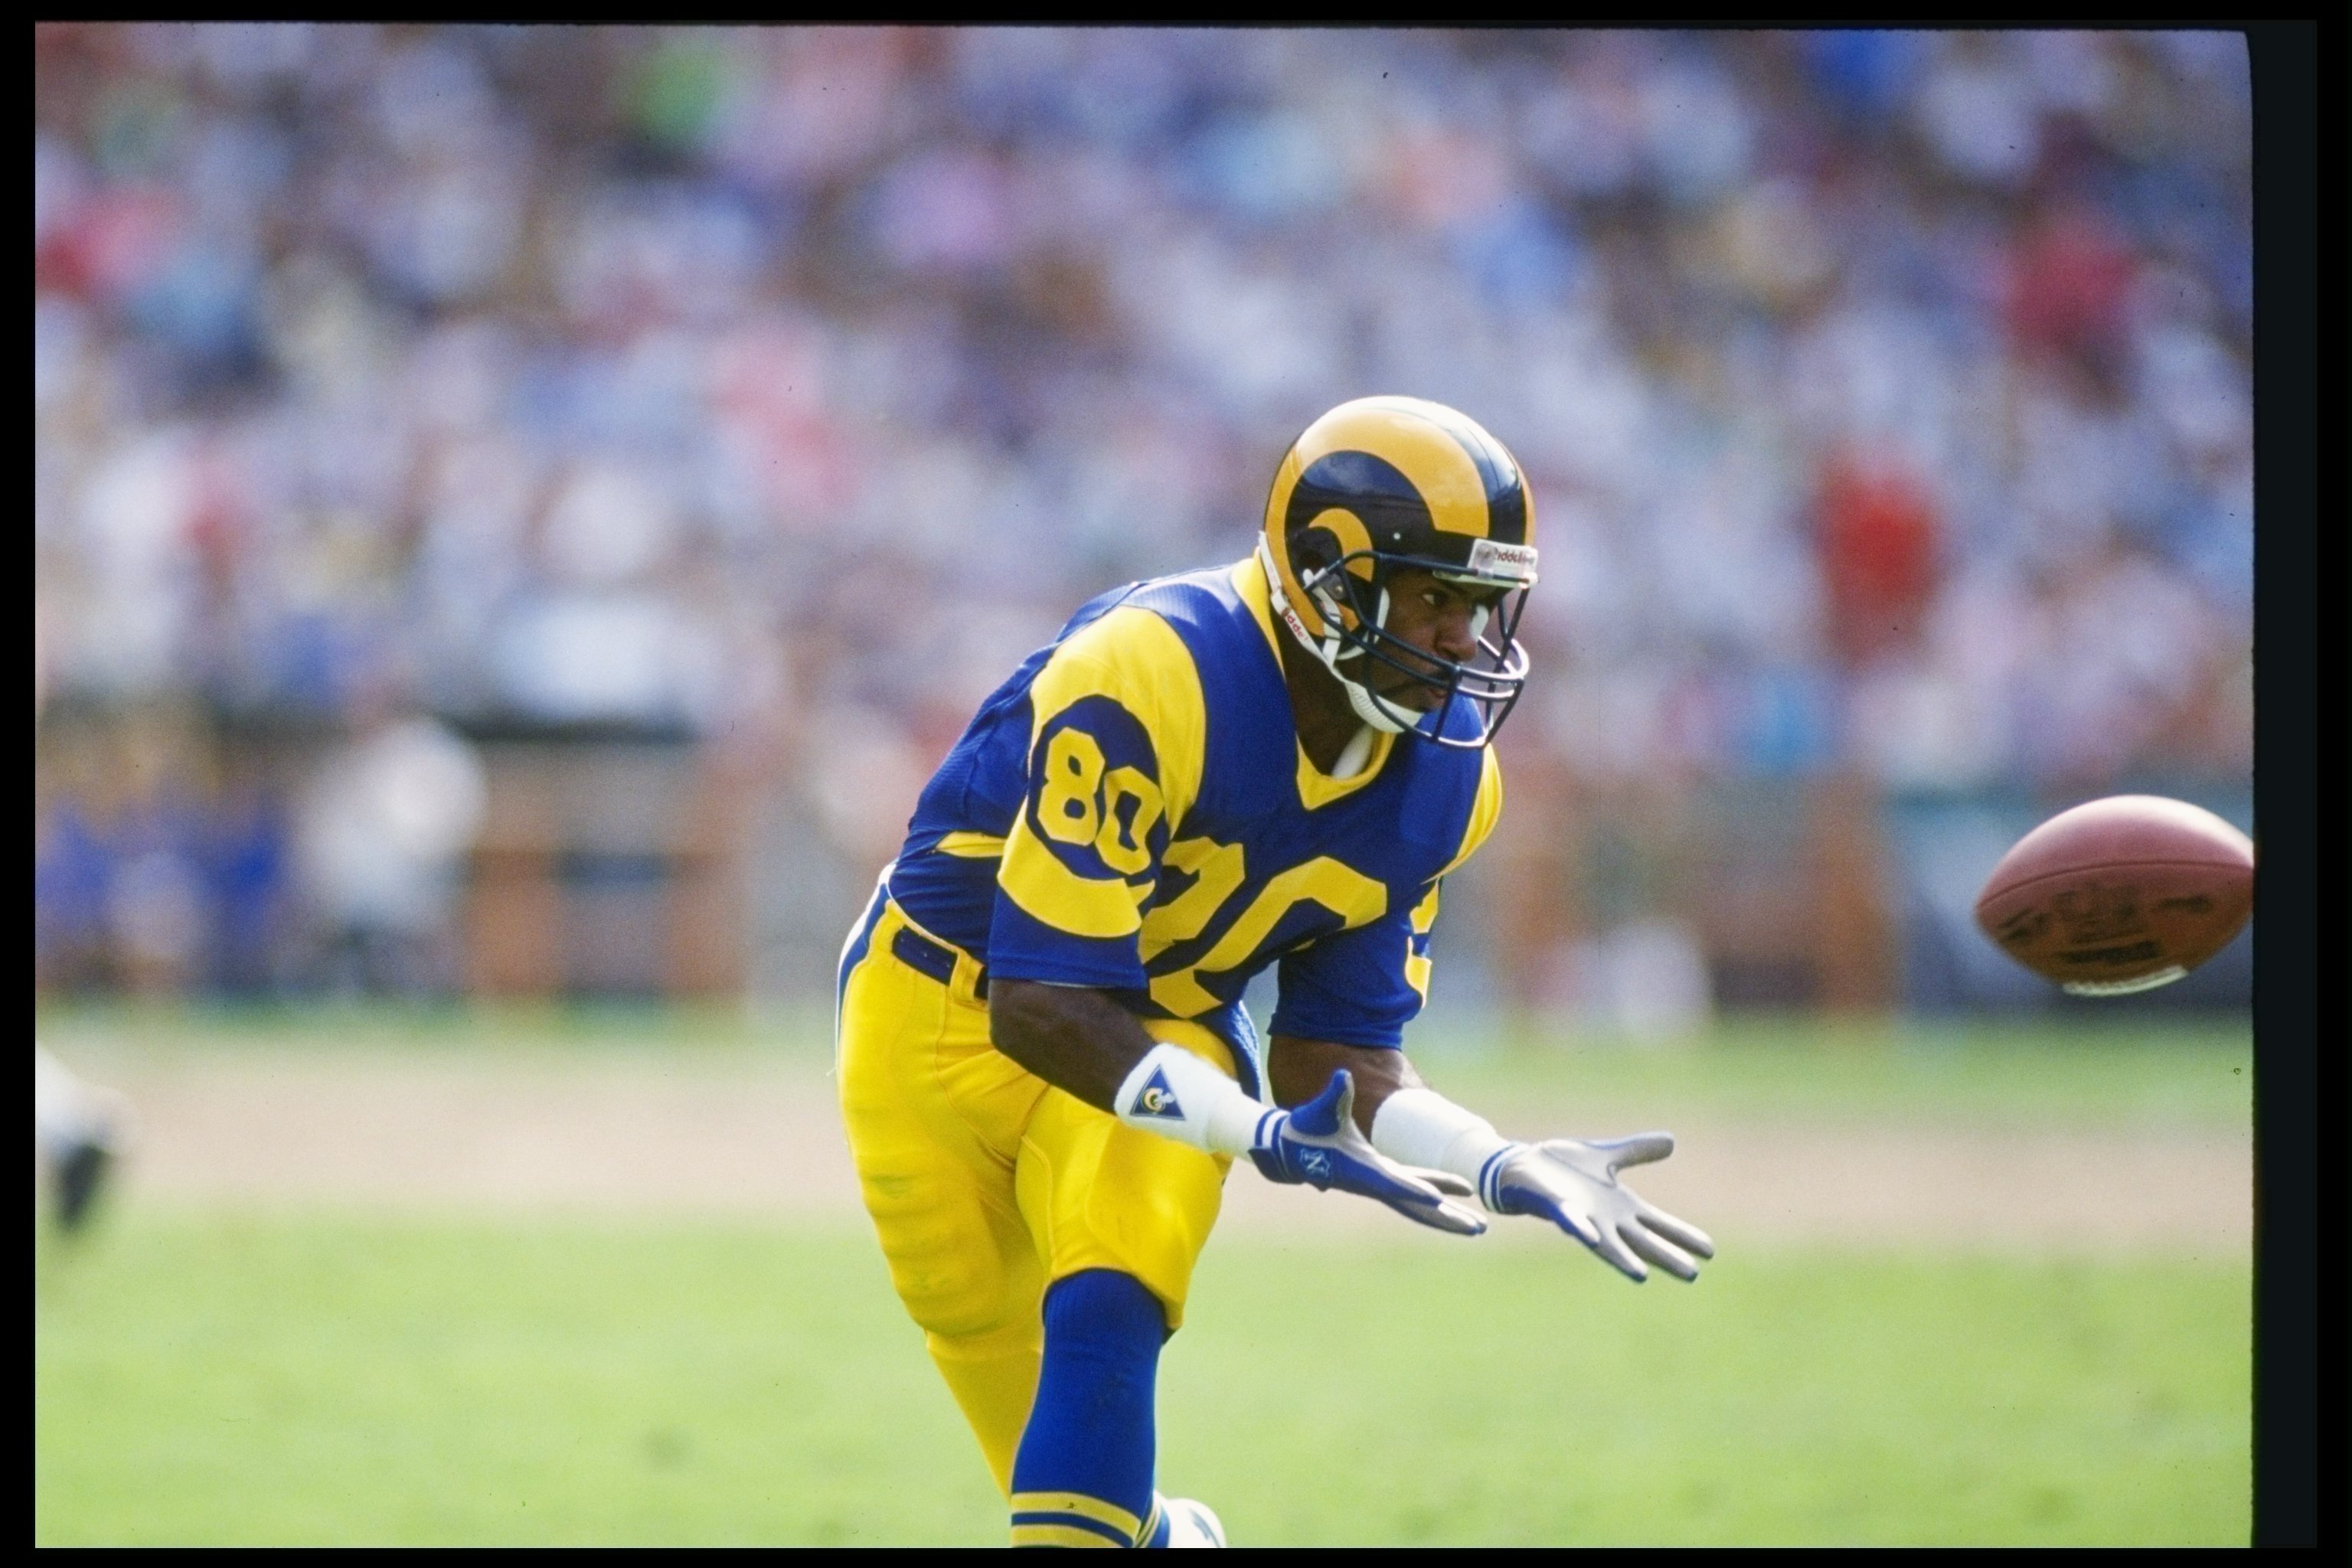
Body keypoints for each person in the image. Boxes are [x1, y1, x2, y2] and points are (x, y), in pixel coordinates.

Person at [835, 397, 1715, 1548]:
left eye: (1484, 606)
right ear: (1332, 579)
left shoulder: (1448, 777)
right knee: (968, 1313)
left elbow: (1336, 1058)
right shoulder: (1159, 668)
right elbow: (1042, 1000)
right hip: (943, 997)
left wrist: (1493, 1160)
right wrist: (1254, 1133)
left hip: (1163, 1029)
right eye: (1438, 598)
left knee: (1114, 1293)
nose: (1466, 641)